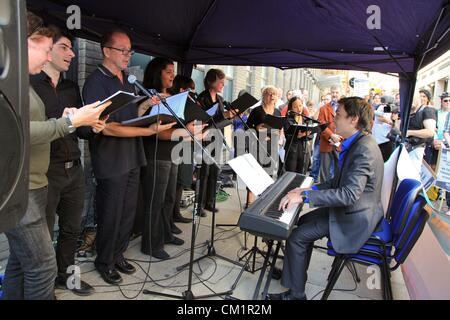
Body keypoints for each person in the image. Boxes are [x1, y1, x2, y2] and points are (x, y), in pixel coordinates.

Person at [2, 12, 109, 300]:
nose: (50, 55)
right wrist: (69, 122)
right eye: (47, 48)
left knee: (20, 263)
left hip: (35, 183)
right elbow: (18, 132)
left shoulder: (23, 81)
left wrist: (70, 120)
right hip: (24, 187)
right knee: (42, 267)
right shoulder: (12, 83)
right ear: (25, 43)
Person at [268, 97, 384, 300]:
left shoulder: (364, 150)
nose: (334, 121)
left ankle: (297, 295)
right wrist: (306, 190)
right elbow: (335, 182)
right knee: (302, 221)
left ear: (354, 119)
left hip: (353, 218)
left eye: (338, 116)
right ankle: (293, 274)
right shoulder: (358, 143)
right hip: (350, 210)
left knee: (297, 237)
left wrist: (305, 197)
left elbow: (348, 194)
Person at [82, 30, 174, 284]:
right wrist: (147, 130)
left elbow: (131, 113)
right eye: (123, 50)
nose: (128, 55)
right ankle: (105, 260)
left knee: (128, 212)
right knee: (111, 213)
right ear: (106, 51)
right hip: (111, 160)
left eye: (130, 51)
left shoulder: (128, 79)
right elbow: (106, 126)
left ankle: (118, 254)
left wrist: (146, 106)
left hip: (133, 155)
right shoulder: (95, 82)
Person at [30, 25, 100, 296]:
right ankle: (43, 287)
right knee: (44, 235)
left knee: (72, 230)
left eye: (72, 48)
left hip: (74, 169)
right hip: (45, 172)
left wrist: (92, 126)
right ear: (48, 52)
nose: (71, 53)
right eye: (64, 47)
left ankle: (66, 277)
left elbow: (79, 130)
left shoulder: (72, 87)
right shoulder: (30, 85)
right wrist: (65, 122)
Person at [138, 57, 204, 260]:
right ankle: (151, 243)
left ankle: (165, 233)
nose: (172, 75)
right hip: (156, 155)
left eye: (173, 71)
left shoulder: (172, 96)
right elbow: (153, 132)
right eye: (168, 71)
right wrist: (186, 134)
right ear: (157, 73)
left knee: (169, 199)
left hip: (172, 153)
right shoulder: (149, 97)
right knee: (155, 201)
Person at [197, 69, 237, 215]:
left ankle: (210, 201)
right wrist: (223, 116)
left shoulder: (220, 99)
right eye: (220, 82)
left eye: (223, 82)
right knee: (204, 172)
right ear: (211, 81)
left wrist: (229, 116)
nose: (223, 85)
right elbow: (204, 120)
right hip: (205, 138)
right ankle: (199, 205)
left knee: (214, 171)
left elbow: (221, 121)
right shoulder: (201, 98)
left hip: (218, 137)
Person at [246, 85, 281, 205]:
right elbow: (247, 127)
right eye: (269, 94)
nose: (272, 96)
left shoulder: (277, 111)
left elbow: (280, 127)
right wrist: (256, 128)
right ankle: (249, 203)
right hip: (257, 145)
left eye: (274, 94)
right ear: (263, 96)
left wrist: (279, 136)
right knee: (254, 172)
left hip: (272, 145)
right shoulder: (256, 111)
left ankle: (263, 203)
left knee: (268, 173)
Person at [406, 89, 437, 172]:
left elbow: (430, 132)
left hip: (419, 150)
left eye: (423, 96)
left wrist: (409, 132)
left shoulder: (428, 110)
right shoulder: (411, 111)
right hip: (408, 149)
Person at [317, 85, 342, 183]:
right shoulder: (323, 108)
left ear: (340, 93)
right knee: (324, 171)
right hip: (326, 141)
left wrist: (338, 138)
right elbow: (321, 124)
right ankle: (323, 191)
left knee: (339, 168)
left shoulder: (345, 108)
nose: (334, 94)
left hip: (340, 142)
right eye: (333, 92)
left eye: (337, 92)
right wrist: (331, 135)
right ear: (330, 93)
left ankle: (336, 188)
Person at [283, 96, 312, 174]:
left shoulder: (306, 120)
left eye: (300, 105)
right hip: (292, 149)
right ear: (291, 108)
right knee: (290, 174)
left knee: (302, 173)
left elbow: (311, 135)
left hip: (304, 149)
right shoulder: (288, 120)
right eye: (295, 107)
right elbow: (287, 136)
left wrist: (306, 135)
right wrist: (298, 136)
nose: (299, 109)